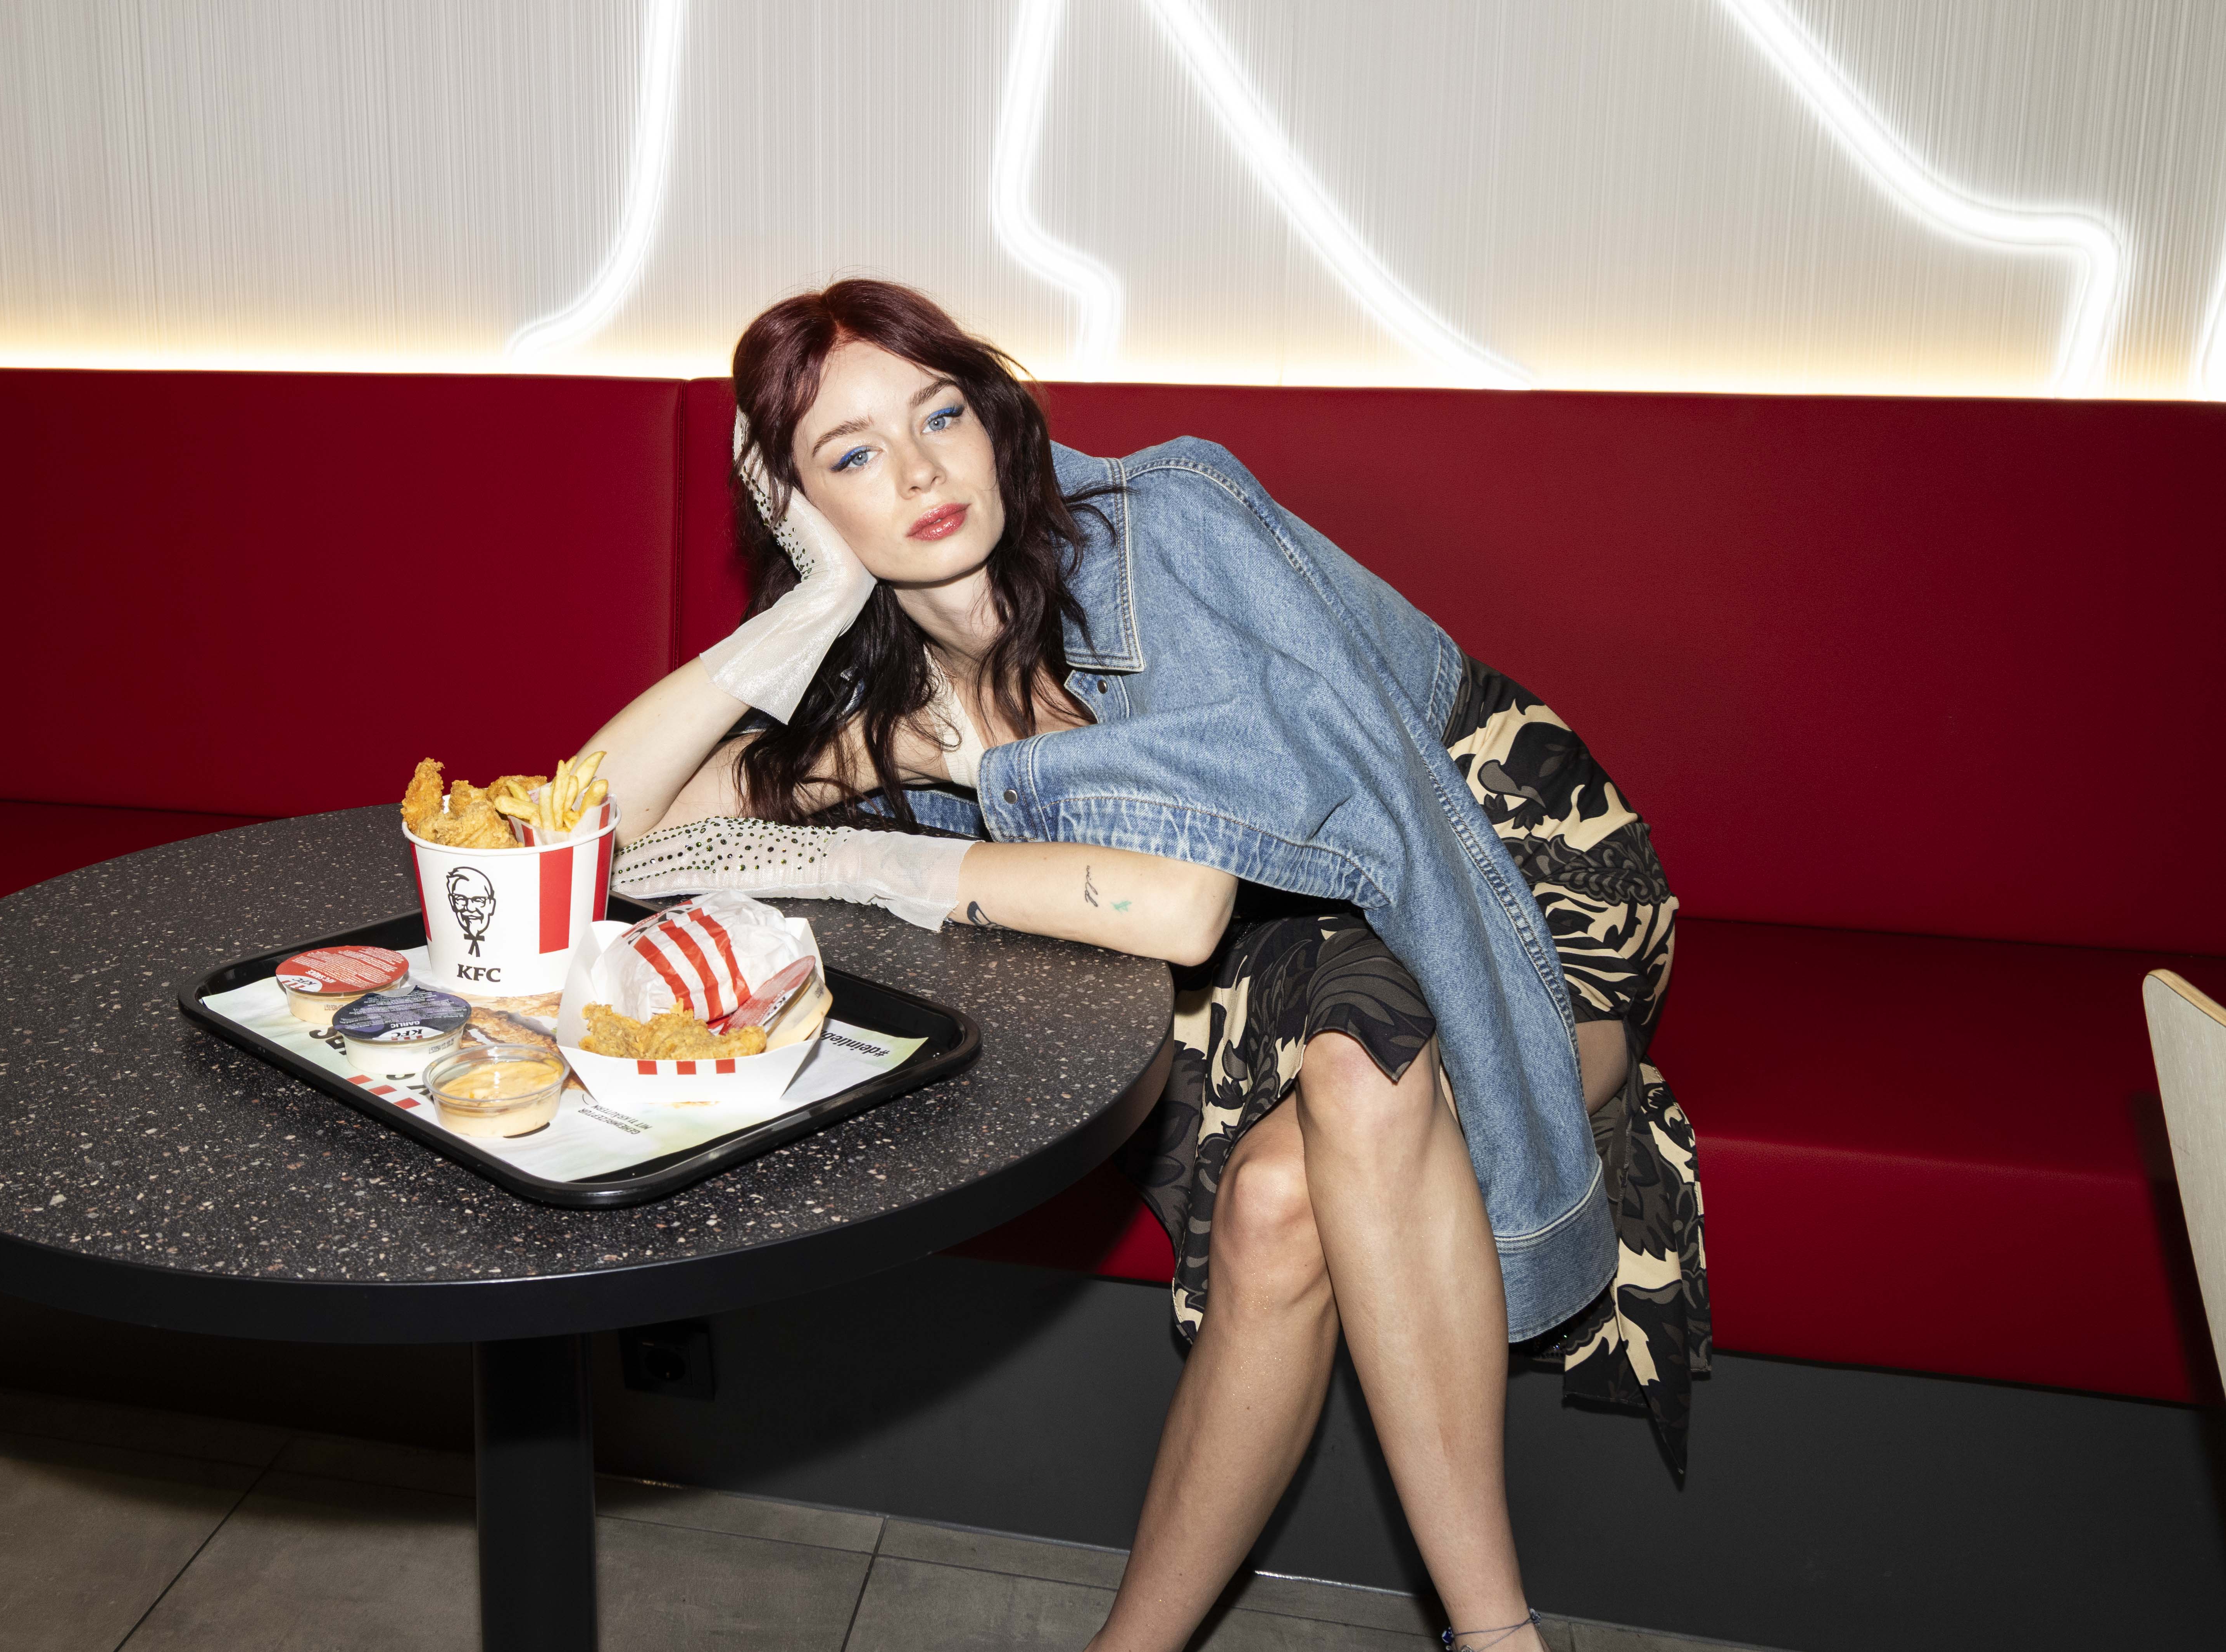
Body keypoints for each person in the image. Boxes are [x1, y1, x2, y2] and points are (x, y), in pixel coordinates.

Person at [582, 279, 1707, 1652]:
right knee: (1279, 1203)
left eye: (940, 415)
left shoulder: (1163, 531)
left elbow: (1178, 906)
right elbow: (591, 838)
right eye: (853, 455)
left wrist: (866, 857)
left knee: (1363, 1076)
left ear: (994, 418)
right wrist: (799, 617)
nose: (923, 471)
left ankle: (1491, 1640)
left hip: (1507, 880)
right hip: (1297, 949)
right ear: (800, 508)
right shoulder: (888, 700)